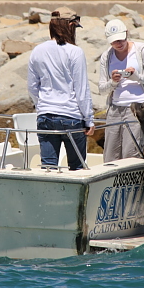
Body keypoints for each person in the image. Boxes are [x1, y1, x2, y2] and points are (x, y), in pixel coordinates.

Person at [27, 11, 95, 170]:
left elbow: (32, 86)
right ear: (70, 26)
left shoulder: (37, 50)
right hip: (71, 117)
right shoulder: (75, 52)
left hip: (45, 116)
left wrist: (43, 104)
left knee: (48, 169)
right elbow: (81, 90)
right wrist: (89, 119)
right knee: (77, 169)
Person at [98, 18, 144, 163]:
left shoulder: (142, 51)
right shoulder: (106, 56)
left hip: (137, 109)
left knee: (130, 153)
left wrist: (137, 77)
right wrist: (113, 82)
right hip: (114, 109)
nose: (119, 43)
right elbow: (102, 89)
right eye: (115, 41)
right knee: (109, 156)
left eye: (121, 39)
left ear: (127, 33)